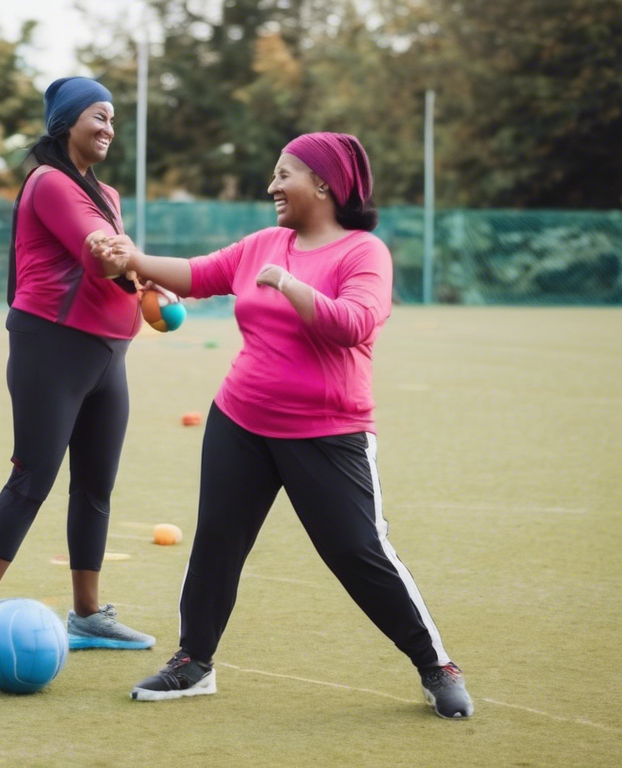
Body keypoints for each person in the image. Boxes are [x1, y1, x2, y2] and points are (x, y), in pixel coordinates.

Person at [94, 132, 473, 719]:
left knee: (357, 551)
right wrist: (131, 258)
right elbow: (197, 274)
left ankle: (436, 665)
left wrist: (290, 285)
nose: (272, 185)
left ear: (323, 185)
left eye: (284, 174)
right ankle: (194, 662)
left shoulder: (362, 252)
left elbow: (357, 324)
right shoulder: (264, 244)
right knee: (218, 541)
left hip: (328, 431)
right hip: (241, 418)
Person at [0, 77, 156, 654]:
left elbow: (124, 263)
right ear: (67, 122)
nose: (109, 128)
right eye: (100, 116)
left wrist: (152, 284)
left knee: (95, 485)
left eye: (114, 119)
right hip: (53, 347)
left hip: (107, 354)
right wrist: (131, 266)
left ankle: (88, 615)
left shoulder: (108, 194)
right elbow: (102, 258)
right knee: (32, 478)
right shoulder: (48, 183)